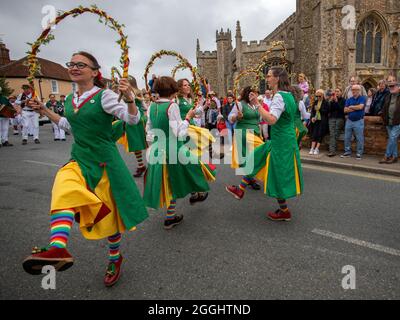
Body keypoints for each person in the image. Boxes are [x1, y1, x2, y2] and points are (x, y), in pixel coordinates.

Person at [22, 51, 148, 287]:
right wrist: (45, 111)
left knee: (109, 219)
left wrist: (130, 100)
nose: (74, 67)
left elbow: (131, 121)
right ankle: (58, 247)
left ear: (94, 71)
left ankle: (115, 257)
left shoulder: (105, 96)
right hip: (79, 158)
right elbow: (70, 125)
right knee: (64, 187)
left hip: (104, 163)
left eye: (81, 64)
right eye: (71, 63)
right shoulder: (70, 100)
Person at [226, 67, 303, 221]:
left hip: (281, 141)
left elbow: (271, 120)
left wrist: (257, 104)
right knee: (257, 157)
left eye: (269, 76)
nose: (266, 79)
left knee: (276, 175)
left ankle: (284, 211)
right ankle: (240, 189)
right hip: (282, 139)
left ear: (277, 78)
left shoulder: (280, 97)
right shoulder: (288, 96)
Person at [143, 76, 215, 229]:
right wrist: (187, 119)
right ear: (172, 90)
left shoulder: (151, 107)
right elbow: (179, 132)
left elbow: (148, 131)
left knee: (170, 180)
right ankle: (195, 194)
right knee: (194, 167)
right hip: (173, 147)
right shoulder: (172, 106)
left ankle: (172, 216)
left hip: (158, 147)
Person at [228, 86, 262, 190]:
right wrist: (237, 117)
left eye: (256, 94)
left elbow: (259, 120)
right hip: (244, 134)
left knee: (252, 158)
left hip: (255, 133)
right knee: (255, 157)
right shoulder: (240, 104)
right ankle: (246, 183)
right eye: (253, 93)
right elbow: (230, 118)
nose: (255, 95)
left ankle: (249, 180)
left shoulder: (256, 105)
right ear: (248, 94)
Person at [115, 77, 148, 178]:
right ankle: (142, 165)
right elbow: (144, 107)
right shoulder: (136, 92)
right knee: (139, 143)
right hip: (136, 119)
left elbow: (143, 107)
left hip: (134, 120)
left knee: (138, 143)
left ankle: (143, 165)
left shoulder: (130, 93)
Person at [341, 85, 367, 160]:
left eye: (355, 90)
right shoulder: (349, 99)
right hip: (349, 120)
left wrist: (351, 107)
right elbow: (345, 110)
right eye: (352, 90)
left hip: (359, 121)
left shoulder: (362, 98)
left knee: (359, 138)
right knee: (347, 137)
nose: (353, 91)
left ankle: (359, 153)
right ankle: (347, 152)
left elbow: (361, 107)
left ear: (359, 90)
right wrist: (356, 107)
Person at [379, 78, 400, 164]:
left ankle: (386, 156)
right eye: (390, 86)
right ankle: (394, 157)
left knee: (392, 138)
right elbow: (384, 107)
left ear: (398, 87)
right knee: (393, 140)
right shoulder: (388, 96)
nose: (391, 88)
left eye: (393, 86)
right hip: (389, 122)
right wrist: (383, 115)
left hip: (397, 122)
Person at [309, 89, 329, 155]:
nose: (318, 97)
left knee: (320, 134)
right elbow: (312, 111)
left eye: (319, 96)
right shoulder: (315, 102)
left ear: (323, 95)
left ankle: (317, 149)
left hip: (322, 121)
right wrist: (312, 117)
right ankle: (312, 148)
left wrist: (319, 109)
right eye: (316, 96)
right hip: (316, 120)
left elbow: (327, 112)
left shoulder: (326, 103)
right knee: (314, 134)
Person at [327, 88, 346, 157]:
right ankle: (332, 151)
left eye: (338, 91)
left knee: (336, 134)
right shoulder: (332, 100)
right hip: (332, 118)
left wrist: (336, 101)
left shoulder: (344, 100)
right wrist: (331, 102)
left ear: (341, 92)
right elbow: (329, 110)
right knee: (332, 134)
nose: (336, 93)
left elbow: (341, 109)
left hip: (339, 118)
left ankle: (332, 151)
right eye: (335, 91)